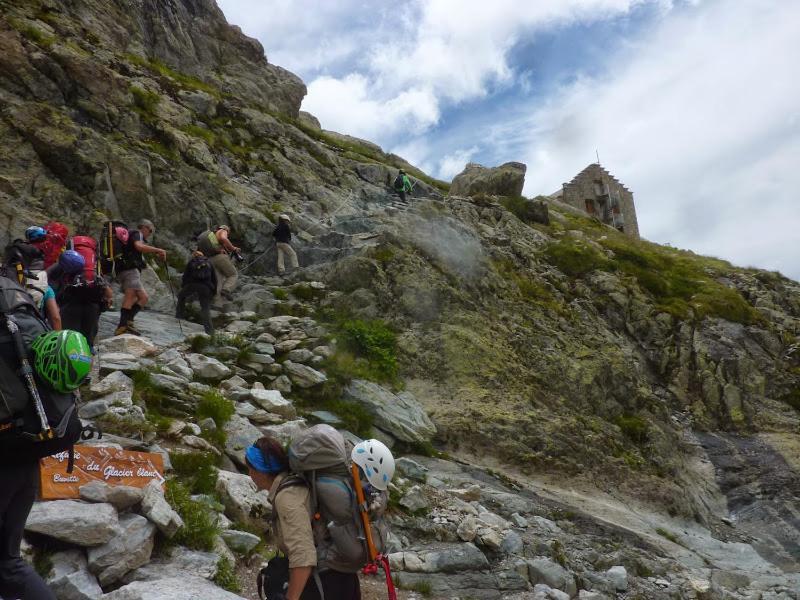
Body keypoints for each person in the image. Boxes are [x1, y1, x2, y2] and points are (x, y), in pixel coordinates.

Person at [247, 436, 395, 600]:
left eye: (250, 467)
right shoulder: (296, 484)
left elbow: (303, 558)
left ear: (259, 470)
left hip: (324, 583)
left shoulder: (287, 497)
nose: (249, 473)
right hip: (342, 577)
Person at [49, 249, 112, 349]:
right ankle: (88, 361)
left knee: (69, 342)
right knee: (88, 345)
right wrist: (106, 302)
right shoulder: (92, 273)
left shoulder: (59, 270)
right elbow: (108, 292)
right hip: (93, 308)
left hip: (69, 307)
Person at [114, 219, 166, 336]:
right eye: (150, 231)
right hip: (129, 269)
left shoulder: (131, 235)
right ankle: (122, 326)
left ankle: (128, 321)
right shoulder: (137, 234)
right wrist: (158, 250)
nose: (150, 233)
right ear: (144, 227)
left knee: (143, 298)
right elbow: (138, 247)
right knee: (130, 296)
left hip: (127, 270)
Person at [175, 251, 217, 334]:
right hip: (206, 287)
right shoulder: (209, 263)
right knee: (205, 308)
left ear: (193, 256)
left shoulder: (191, 262)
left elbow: (185, 276)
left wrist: (184, 287)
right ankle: (209, 330)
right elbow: (214, 279)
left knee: (181, 296)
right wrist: (213, 291)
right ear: (203, 255)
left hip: (192, 285)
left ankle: (179, 315)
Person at [204, 225, 240, 305]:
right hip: (220, 258)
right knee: (233, 274)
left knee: (218, 281)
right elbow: (224, 238)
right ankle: (226, 289)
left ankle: (217, 303)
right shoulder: (223, 230)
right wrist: (233, 249)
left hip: (210, 260)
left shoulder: (213, 236)